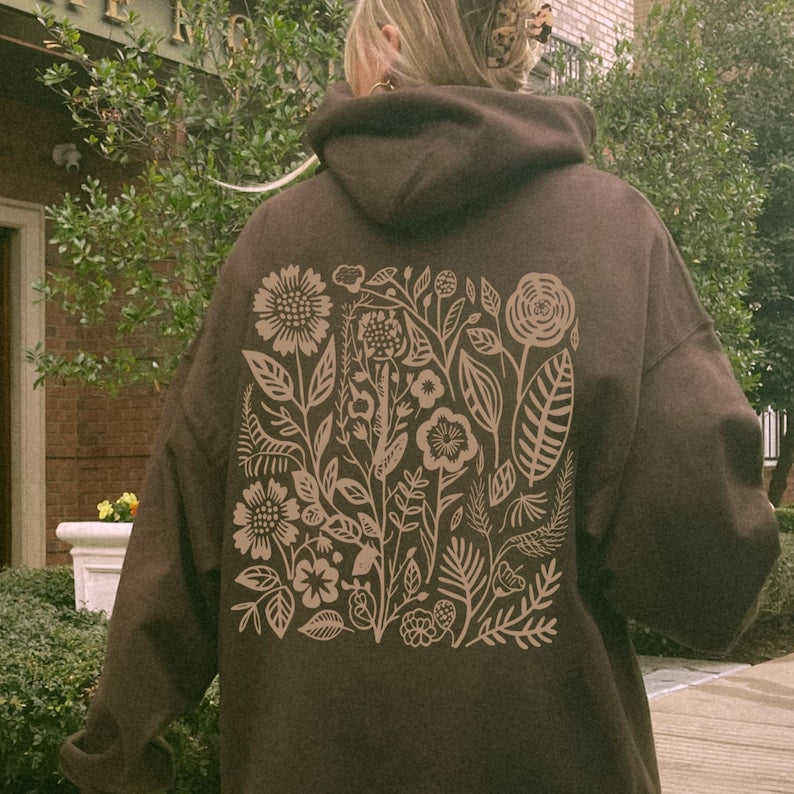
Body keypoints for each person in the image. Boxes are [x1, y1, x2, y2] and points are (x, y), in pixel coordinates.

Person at [59, 1, 781, 792]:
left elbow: (181, 533)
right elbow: (710, 574)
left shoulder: (275, 246)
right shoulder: (612, 236)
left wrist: (115, 756)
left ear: (388, 46)